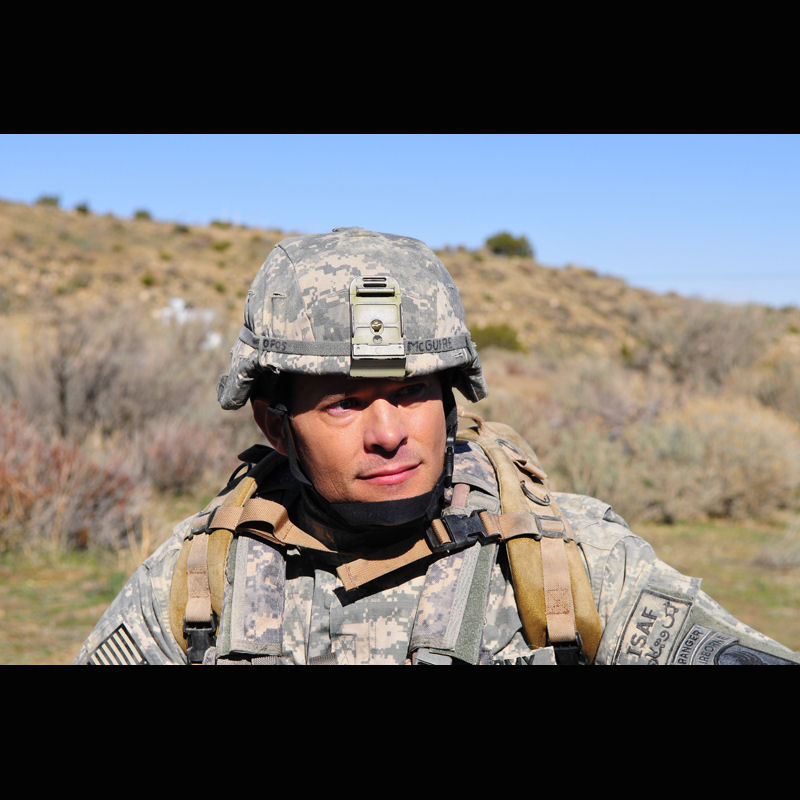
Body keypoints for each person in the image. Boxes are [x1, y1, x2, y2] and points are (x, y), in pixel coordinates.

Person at [74, 227, 800, 665]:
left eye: (413, 393)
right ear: (275, 426)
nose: (390, 434)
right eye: (344, 404)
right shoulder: (201, 580)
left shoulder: (566, 557)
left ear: (450, 403)